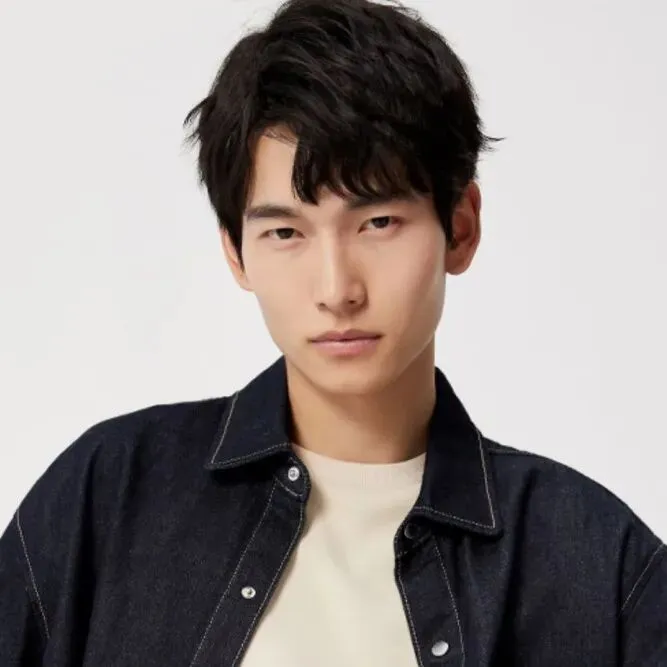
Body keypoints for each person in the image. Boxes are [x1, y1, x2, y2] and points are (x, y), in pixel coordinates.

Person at [1, 0, 665, 664]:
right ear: (236, 253)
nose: (337, 289)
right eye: (285, 232)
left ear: (460, 228)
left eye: (377, 223)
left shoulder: (595, 562)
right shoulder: (113, 491)